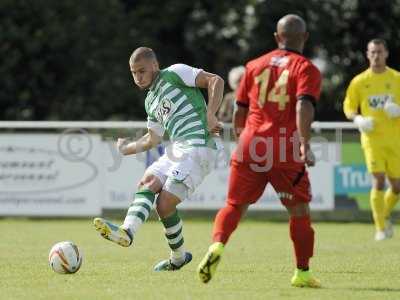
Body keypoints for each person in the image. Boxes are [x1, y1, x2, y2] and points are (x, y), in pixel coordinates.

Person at [197, 14, 322, 288]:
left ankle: (217, 246)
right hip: (284, 148)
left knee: (233, 205)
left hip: (250, 144)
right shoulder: (306, 68)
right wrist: (305, 143)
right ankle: (302, 273)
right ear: (304, 38)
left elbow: (239, 110)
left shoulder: (253, 66)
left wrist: (243, 139)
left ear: (278, 38)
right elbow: (303, 106)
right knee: (299, 211)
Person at [93, 47, 224, 271]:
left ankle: (176, 257)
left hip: (200, 146)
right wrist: (126, 149)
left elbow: (216, 81)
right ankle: (128, 232)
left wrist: (211, 114)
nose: (138, 77)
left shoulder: (175, 72)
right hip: (178, 148)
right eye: (133, 73)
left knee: (164, 203)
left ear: (154, 65)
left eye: (142, 71)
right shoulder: (150, 101)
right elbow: (152, 139)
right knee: (148, 183)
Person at [343, 39, 400, 241]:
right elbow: (349, 106)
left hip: (395, 140)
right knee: (378, 180)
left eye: (380, 52)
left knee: (397, 186)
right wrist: (358, 119)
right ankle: (380, 228)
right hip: (372, 139)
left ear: (386, 53)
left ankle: (383, 215)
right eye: (372, 52)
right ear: (367, 54)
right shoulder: (359, 81)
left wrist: (398, 111)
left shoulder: (396, 78)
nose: (376, 55)